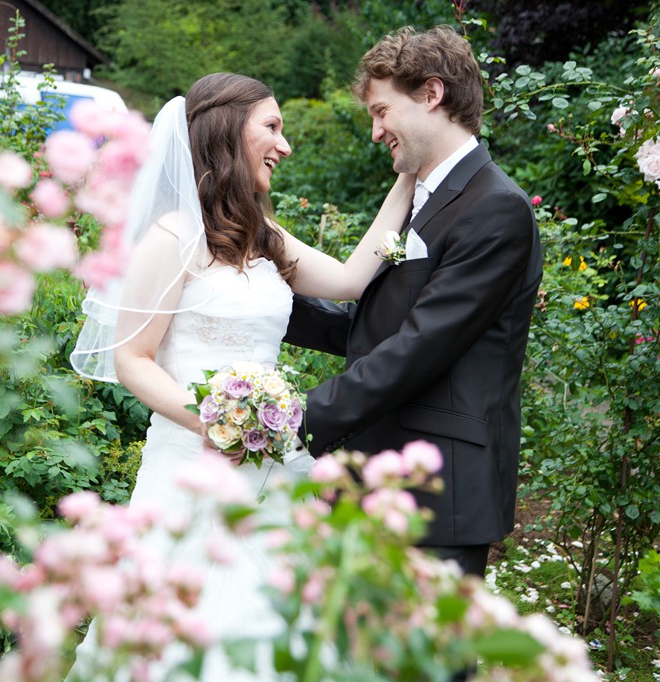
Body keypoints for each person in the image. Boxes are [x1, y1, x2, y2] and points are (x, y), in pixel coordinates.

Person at [69, 73, 414, 680]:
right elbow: (133, 359)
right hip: (191, 471)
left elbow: (351, 279)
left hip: (273, 468)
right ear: (227, 131)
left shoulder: (262, 236)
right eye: (272, 127)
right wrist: (214, 422)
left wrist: (409, 177)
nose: (285, 145)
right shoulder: (173, 236)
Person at [284, 25, 543, 581]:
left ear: (431, 94)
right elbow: (375, 326)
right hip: (384, 477)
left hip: (439, 498)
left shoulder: (496, 208)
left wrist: (297, 418)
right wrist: (263, 305)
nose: (376, 131)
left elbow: (420, 347)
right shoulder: (421, 197)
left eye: (382, 111)